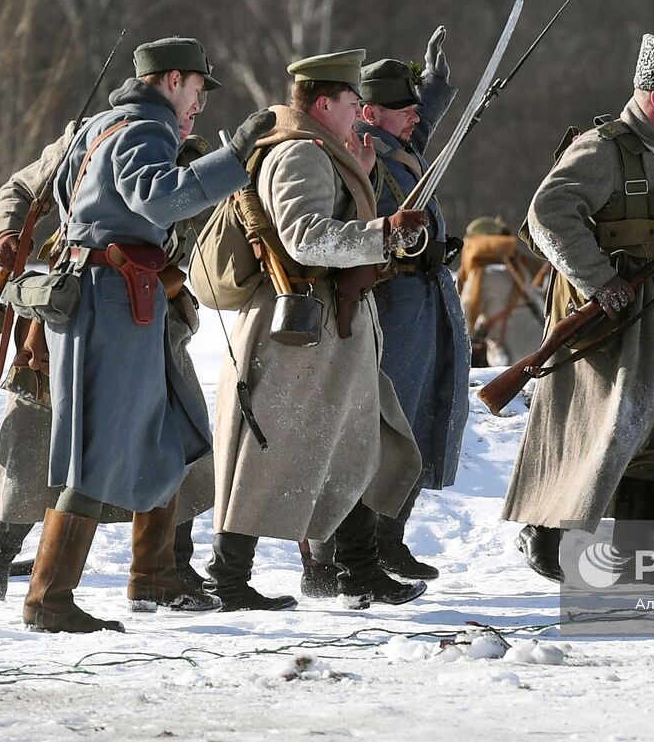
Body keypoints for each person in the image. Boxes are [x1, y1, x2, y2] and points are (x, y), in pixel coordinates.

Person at [23, 37, 274, 633]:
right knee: (92, 448)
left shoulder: (103, 126)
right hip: (108, 301)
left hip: (124, 297)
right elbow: (160, 201)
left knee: (168, 429)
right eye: (196, 89)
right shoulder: (146, 128)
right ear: (172, 80)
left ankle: (155, 574)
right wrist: (235, 156)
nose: (199, 104)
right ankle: (48, 599)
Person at [502, 33, 654, 583]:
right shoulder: (602, 148)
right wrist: (600, 281)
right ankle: (546, 534)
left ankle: (639, 556)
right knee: (601, 430)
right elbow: (549, 213)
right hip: (609, 319)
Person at [209, 50, 427, 611]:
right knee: (266, 454)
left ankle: (356, 569)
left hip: (328, 325)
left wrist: (368, 184)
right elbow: (305, 238)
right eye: (354, 103)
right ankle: (229, 579)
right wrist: (382, 233)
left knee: (354, 441)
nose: (359, 114)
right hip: (298, 327)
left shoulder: (326, 149)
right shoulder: (300, 154)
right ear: (324, 102)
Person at [0, 123, 219, 608]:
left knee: (175, 437)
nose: (196, 110)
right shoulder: (88, 139)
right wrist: (7, 229)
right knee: (35, 440)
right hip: (75, 312)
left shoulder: (185, 151)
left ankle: (169, 568)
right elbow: (22, 187)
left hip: (153, 312)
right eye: (193, 94)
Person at [302, 34, 471, 592]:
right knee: (377, 428)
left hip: (422, 305)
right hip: (389, 302)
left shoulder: (393, 140)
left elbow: (416, 135)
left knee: (416, 420)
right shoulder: (359, 150)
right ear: (368, 112)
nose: (415, 118)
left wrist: (434, 87)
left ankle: (387, 537)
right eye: (404, 108)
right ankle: (334, 553)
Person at [455, 216, 547, 367]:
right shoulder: (519, 270)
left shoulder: (481, 276)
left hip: (509, 357)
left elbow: (464, 320)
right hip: (538, 346)